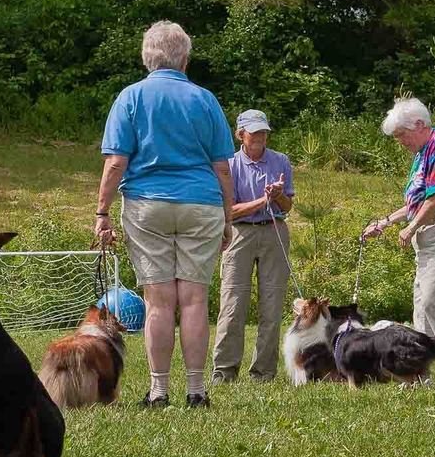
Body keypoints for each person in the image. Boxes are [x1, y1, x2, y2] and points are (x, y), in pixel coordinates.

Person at [95, 21, 235, 409]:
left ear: (146, 57)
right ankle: (196, 390)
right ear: (185, 59)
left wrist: (102, 211)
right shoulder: (205, 99)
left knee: (158, 301)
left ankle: (158, 390)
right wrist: (228, 214)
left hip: (146, 205)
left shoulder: (131, 97)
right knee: (193, 299)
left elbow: (116, 162)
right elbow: (222, 166)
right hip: (201, 203)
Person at [361, 98, 435, 383]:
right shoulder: (424, 151)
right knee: (423, 306)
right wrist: (387, 222)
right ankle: (417, 374)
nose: (400, 141)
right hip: (434, 232)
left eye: (402, 134)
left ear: (419, 125)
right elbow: (418, 202)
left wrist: (411, 227)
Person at [210, 109, 295, 383]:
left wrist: (279, 196)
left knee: (272, 306)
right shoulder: (229, 165)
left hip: (274, 233)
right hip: (239, 235)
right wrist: (262, 201)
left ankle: (264, 372)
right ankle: (224, 371)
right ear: (240, 134)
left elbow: (288, 207)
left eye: (264, 132)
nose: (260, 137)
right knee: (233, 303)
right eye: (254, 132)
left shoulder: (281, 161)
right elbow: (228, 212)